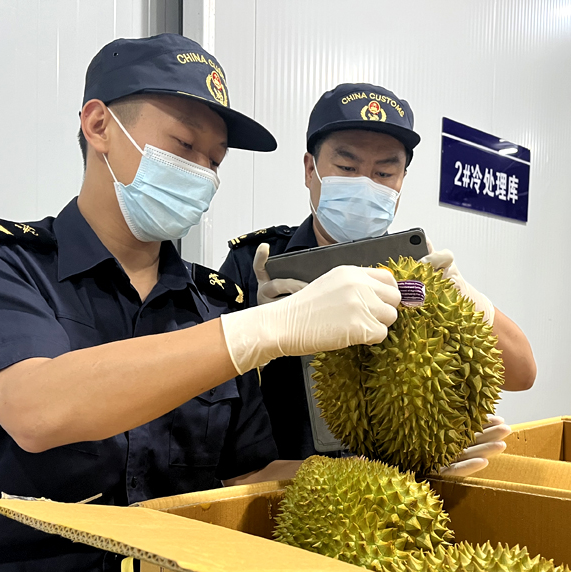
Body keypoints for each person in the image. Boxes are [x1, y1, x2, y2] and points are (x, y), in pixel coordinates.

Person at [0, 36, 402, 572]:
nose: (202, 173)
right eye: (184, 146)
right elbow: (36, 409)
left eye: (215, 161)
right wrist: (263, 330)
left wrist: (397, 467)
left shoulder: (214, 301)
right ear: (99, 127)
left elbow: (245, 476)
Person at [220, 83, 537, 469]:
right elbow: (202, 397)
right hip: (283, 490)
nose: (366, 184)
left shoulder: (421, 273)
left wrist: (466, 296)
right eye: (347, 167)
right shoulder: (257, 263)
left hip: (396, 486)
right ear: (310, 169)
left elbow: (522, 372)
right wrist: (260, 337)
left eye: (385, 172)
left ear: (402, 180)